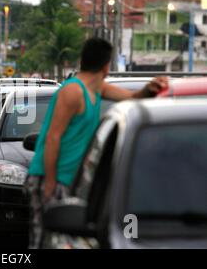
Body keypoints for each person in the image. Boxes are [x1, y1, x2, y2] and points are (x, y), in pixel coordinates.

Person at [27, 37, 168, 249]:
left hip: (70, 180)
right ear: (106, 66)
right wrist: (50, 182)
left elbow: (131, 97)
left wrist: (150, 89)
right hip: (49, 177)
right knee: (44, 241)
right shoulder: (72, 91)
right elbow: (52, 137)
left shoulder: (97, 89)